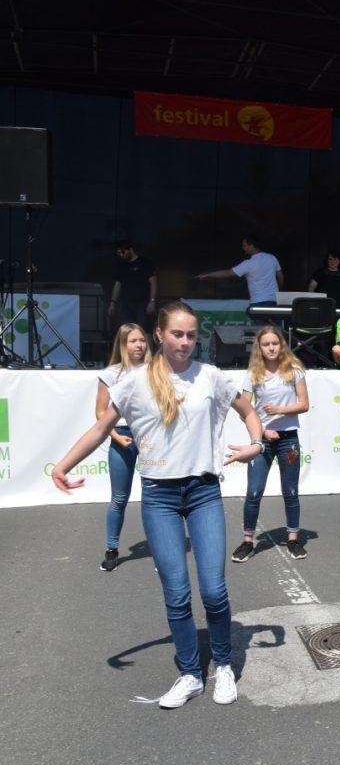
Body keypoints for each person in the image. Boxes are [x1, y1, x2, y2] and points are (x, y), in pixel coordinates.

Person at [52, 301, 265, 709]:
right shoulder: (135, 382)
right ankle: (190, 674)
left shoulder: (211, 376)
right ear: (159, 334)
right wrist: (62, 465)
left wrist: (255, 445)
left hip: (203, 492)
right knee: (177, 593)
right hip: (159, 497)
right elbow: (101, 428)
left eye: (191, 335)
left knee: (214, 590)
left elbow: (248, 411)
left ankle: (222, 664)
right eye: (177, 334)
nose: (185, 342)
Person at [232, 326, 310, 563]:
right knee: (254, 491)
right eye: (266, 344)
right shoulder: (252, 374)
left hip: (289, 439)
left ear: (281, 345)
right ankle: (248, 542)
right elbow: (244, 410)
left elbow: (304, 404)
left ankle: (293, 539)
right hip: (262, 440)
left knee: (291, 491)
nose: (271, 348)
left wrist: (279, 410)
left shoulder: (294, 370)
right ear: (259, 347)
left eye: (275, 343)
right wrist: (263, 430)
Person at [95, 322, 151, 572]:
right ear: (122, 344)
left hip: (150, 437)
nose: (139, 345)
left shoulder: (156, 370)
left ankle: (162, 549)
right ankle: (112, 548)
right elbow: (100, 413)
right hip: (122, 437)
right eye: (133, 341)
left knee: (154, 498)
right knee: (119, 498)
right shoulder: (111, 374)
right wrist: (116, 436)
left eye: (142, 340)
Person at [196, 235, 283, 325]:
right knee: (278, 330)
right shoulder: (272, 258)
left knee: (260, 330)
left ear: (251, 246)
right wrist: (277, 291)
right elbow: (280, 276)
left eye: (245, 245)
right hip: (273, 301)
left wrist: (207, 275)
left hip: (257, 303)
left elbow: (227, 273)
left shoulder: (249, 263)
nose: (243, 248)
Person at [107, 241, 157, 331]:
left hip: (142, 304)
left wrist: (152, 301)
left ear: (130, 250)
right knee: (127, 330)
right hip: (126, 305)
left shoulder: (145, 263)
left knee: (143, 330)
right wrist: (112, 302)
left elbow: (153, 282)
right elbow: (118, 285)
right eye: (119, 253)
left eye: (123, 252)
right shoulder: (122, 266)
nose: (121, 255)